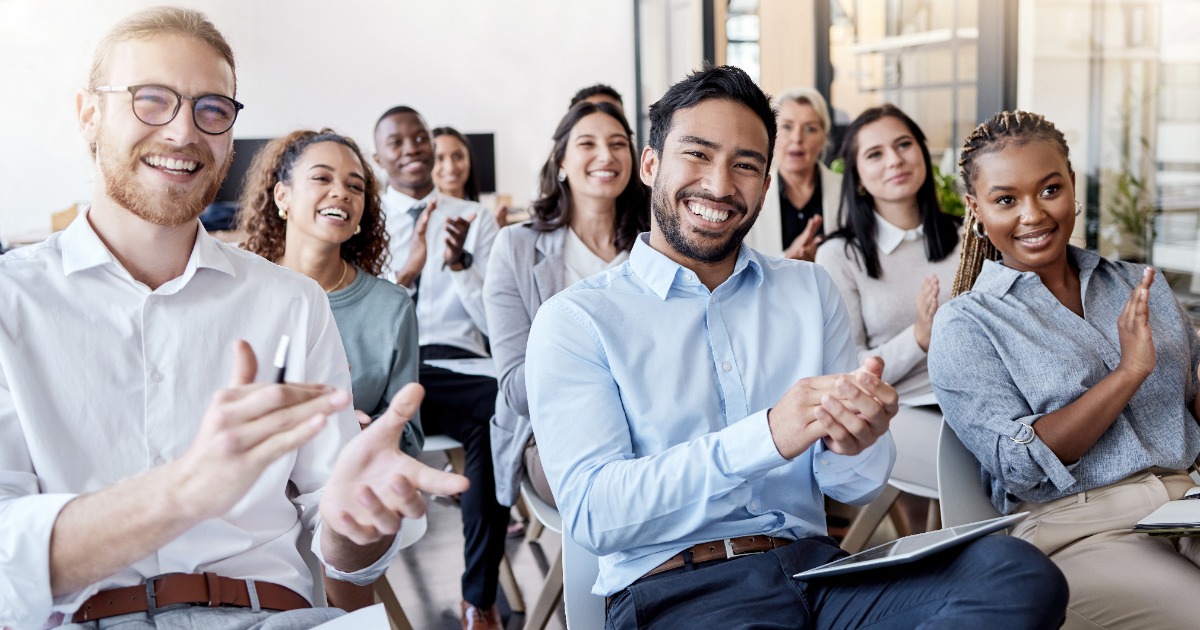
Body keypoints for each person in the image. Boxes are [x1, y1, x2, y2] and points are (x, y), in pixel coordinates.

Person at [524, 65, 1067, 629]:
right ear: (652, 164)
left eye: (745, 165)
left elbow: (854, 487)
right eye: (698, 155)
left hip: (818, 576)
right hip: (675, 593)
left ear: (765, 183)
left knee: (1015, 573)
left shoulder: (807, 290)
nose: (719, 184)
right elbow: (595, 514)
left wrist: (856, 441)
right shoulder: (577, 320)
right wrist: (767, 435)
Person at [0, 8, 466, 629]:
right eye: (152, 100)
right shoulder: (11, 302)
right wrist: (187, 489)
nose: (183, 132)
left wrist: (357, 522)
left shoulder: (292, 303)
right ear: (89, 112)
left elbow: (343, 547)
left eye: (212, 109)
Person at [928, 110, 1200, 630]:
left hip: (1184, 506)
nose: (1033, 214)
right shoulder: (966, 324)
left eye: (1050, 189)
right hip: (1077, 533)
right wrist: (1127, 373)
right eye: (1006, 200)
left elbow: (1192, 407)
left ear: (1072, 186)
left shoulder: (1139, 284)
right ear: (977, 210)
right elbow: (1020, 464)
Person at [372, 106, 507, 629]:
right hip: (393, 369)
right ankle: (354, 588)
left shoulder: (476, 217)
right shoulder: (364, 217)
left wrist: (460, 268)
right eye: (396, 142)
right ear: (379, 154)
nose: (410, 149)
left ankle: (480, 596)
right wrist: (403, 277)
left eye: (419, 138)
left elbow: (495, 321)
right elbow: (366, 315)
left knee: (497, 414)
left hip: (461, 365)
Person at [485, 101, 649, 511]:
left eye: (618, 144)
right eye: (587, 144)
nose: (606, 156)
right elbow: (516, 389)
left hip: (653, 424)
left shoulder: (655, 246)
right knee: (618, 492)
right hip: (553, 432)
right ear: (561, 159)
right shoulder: (516, 248)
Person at [815, 104, 961, 533]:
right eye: (875, 154)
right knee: (977, 469)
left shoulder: (967, 235)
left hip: (973, 398)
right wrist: (918, 338)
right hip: (897, 411)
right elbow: (848, 370)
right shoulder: (839, 255)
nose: (895, 160)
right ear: (857, 178)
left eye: (903, 145)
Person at [238, 129, 423, 460]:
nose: (341, 192)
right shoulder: (239, 290)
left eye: (355, 186)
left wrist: (361, 433)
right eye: (322, 178)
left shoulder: (392, 307)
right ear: (282, 196)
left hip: (345, 484)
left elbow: (408, 433)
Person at [744, 87, 842, 261]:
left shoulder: (845, 191)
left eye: (810, 129)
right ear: (771, 135)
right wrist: (788, 259)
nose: (797, 138)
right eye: (787, 127)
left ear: (823, 138)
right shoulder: (749, 193)